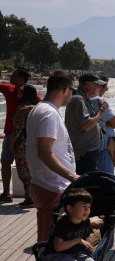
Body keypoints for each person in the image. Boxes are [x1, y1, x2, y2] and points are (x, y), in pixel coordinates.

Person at [26, 71, 79, 242]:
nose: (72, 94)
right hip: (52, 187)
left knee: (45, 242)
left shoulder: (41, 110)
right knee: (53, 244)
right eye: (72, 90)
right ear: (65, 90)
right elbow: (44, 152)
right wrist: (72, 176)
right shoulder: (49, 113)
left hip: (46, 185)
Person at [1, 67, 38, 203]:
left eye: (15, 75)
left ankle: (29, 196)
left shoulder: (30, 96)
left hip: (21, 137)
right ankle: (6, 193)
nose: (11, 77)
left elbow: (42, 108)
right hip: (10, 134)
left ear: (22, 79)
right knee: (5, 162)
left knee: (24, 167)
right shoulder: (9, 90)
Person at [64, 73, 108, 174]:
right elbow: (87, 125)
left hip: (87, 152)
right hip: (84, 153)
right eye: (97, 84)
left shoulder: (83, 99)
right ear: (87, 84)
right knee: (87, 186)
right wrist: (101, 112)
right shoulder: (78, 99)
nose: (99, 87)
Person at [10, 84, 40, 207]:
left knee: (24, 172)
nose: (18, 93)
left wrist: (12, 144)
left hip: (23, 144)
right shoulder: (38, 108)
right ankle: (34, 197)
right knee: (33, 171)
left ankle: (30, 198)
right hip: (36, 143)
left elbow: (17, 130)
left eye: (21, 91)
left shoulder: (22, 109)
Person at [89, 73, 115, 173]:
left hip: (88, 149)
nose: (106, 90)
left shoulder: (82, 99)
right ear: (100, 86)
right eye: (106, 87)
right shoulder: (99, 101)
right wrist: (109, 122)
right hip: (103, 149)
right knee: (106, 181)